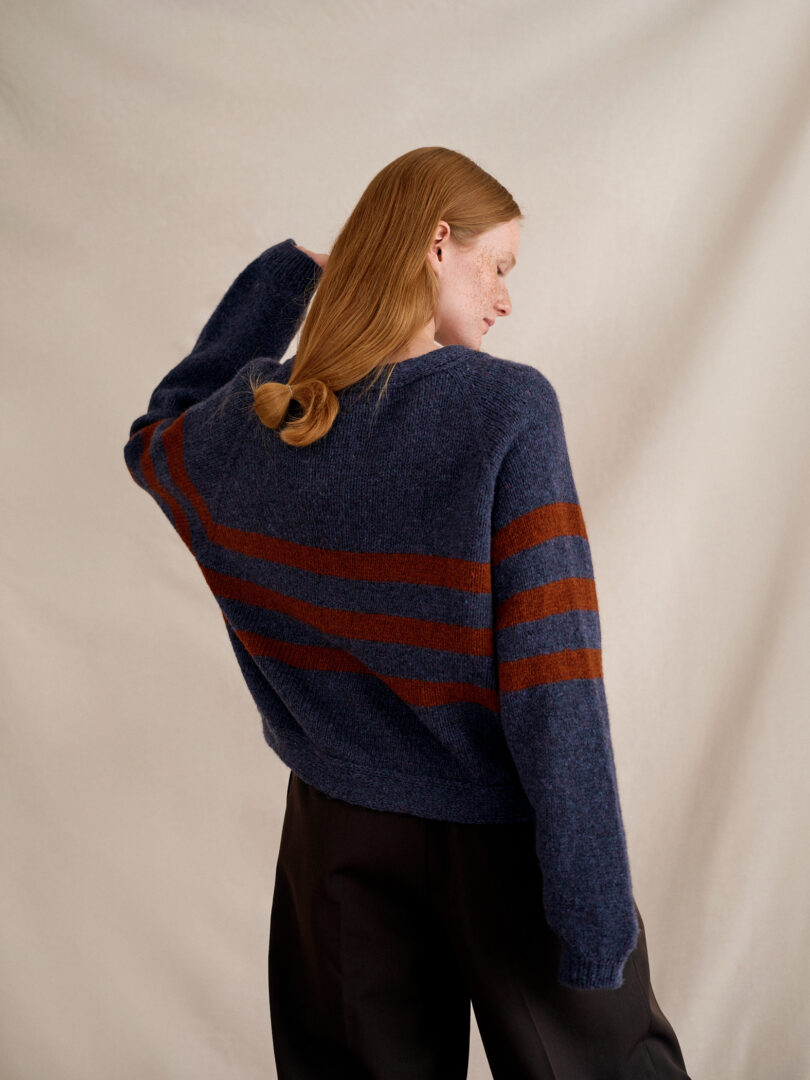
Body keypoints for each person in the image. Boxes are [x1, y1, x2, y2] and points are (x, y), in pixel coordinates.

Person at [123, 146, 691, 1078]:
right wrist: (592, 906)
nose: (506, 299)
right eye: (498, 265)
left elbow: (157, 437)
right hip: (500, 833)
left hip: (334, 835)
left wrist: (284, 278)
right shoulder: (506, 410)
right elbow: (553, 679)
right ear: (436, 243)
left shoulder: (268, 419)